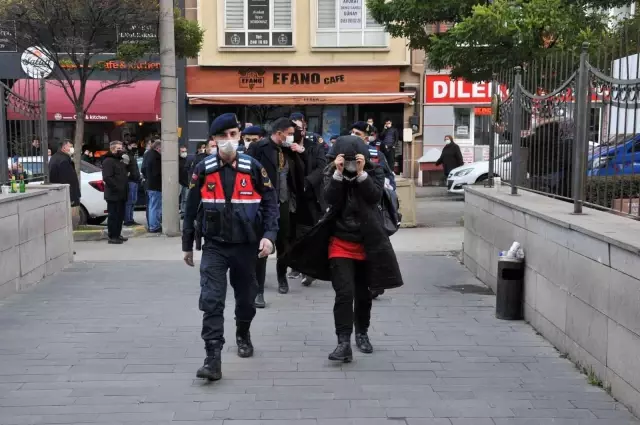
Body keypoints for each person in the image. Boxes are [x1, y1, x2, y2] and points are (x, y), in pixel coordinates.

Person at [281, 135, 404, 362]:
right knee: (344, 294)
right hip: (340, 242)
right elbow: (329, 200)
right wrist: (339, 174)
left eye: (353, 159)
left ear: (363, 158)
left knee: (364, 295)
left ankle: (363, 333)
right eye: (344, 159)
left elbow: (374, 195)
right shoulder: (331, 173)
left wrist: (360, 174)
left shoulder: (374, 172)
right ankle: (343, 342)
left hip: (368, 243)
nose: (348, 163)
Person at [182, 113, 279, 381]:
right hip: (214, 245)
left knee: (246, 299)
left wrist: (269, 236)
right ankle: (212, 358)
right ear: (212, 139)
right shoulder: (203, 168)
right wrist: (187, 245)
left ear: (239, 136)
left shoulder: (253, 167)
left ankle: (243, 332)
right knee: (212, 300)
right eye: (222, 136)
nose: (228, 141)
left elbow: (271, 203)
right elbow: (190, 208)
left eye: (233, 135)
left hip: (247, 246)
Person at [247, 117, 306, 306]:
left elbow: (299, 174)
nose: (291, 137)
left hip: (286, 202)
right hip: (263, 204)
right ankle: (258, 289)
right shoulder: (259, 148)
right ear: (279, 132)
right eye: (289, 134)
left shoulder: (290, 150)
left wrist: (299, 153)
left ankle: (282, 277)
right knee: (263, 245)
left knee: (284, 243)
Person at [349, 122, 396, 190]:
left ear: (366, 138)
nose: (353, 135)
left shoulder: (376, 155)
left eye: (357, 134)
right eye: (352, 132)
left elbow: (388, 176)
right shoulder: (343, 151)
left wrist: (385, 186)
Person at [102, 141, 129, 244]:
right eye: (118, 148)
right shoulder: (108, 161)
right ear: (112, 149)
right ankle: (112, 236)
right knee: (113, 216)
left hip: (121, 194)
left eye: (121, 148)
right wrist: (117, 187)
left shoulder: (119, 161)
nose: (121, 150)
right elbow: (107, 177)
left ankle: (117, 234)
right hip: (113, 194)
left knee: (120, 215)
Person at [49, 140, 81, 209]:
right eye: (70, 146)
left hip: (58, 192)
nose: (72, 148)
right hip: (64, 194)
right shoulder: (63, 160)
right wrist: (73, 197)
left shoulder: (56, 157)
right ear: (63, 148)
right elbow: (68, 179)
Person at [144, 140, 163, 233]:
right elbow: (158, 173)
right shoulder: (156, 157)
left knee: (152, 206)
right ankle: (154, 226)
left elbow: (143, 169)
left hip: (149, 184)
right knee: (155, 206)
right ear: (158, 148)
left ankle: (153, 225)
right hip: (156, 185)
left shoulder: (147, 155)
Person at [124, 140, 141, 226]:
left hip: (135, 181)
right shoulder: (126, 156)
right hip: (130, 182)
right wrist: (128, 175)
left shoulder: (132, 156)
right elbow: (123, 168)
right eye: (133, 145)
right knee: (129, 201)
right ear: (129, 146)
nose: (135, 147)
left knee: (133, 201)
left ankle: (130, 219)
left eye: (136, 145)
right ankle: (127, 220)